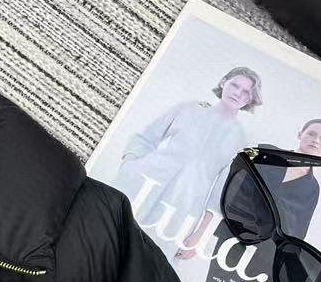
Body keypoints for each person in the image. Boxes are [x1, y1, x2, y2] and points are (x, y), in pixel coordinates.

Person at [187, 118, 321, 282]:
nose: (316, 140)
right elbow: (231, 188)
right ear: (300, 133)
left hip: (268, 254)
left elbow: (299, 231)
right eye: (311, 133)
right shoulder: (266, 154)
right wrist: (203, 231)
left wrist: (284, 267)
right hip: (234, 236)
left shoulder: (312, 187)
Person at [111, 65, 262, 252]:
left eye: (246, 92)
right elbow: (145, 138)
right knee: (108, 238)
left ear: (250, 99)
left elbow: (221, 193)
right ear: (224, 82)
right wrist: (129, 165)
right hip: (141, 185)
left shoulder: (242, 141)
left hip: (181, 208)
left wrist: (199, 236)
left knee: (147, 256)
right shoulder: (189, 108)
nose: (238, 93)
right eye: (234, 85)